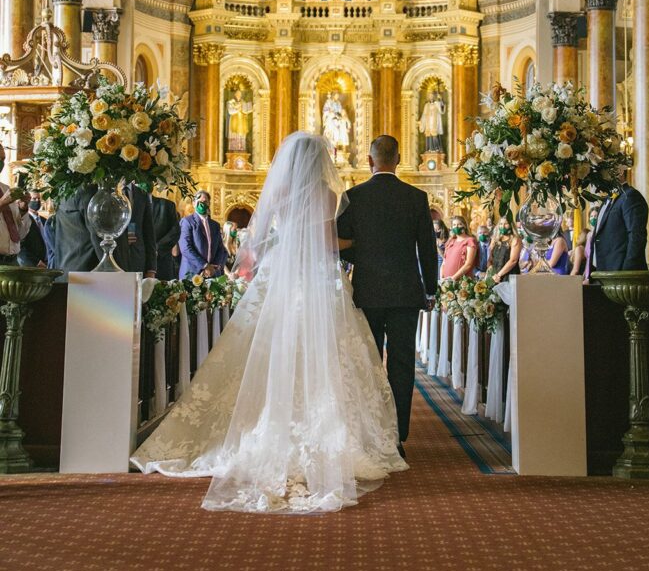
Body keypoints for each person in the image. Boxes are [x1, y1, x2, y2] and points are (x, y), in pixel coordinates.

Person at [132, 132, 406, 514]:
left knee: (266, 347)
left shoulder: (278, 195)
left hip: (280, 277)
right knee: (326, 353)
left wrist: (276, 249)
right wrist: (360, 244)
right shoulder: (328, 195)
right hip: (318, 280)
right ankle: (328, 436)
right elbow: (327, 242)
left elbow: (256, 242)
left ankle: (258, 426)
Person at [336, 135, 438, 453]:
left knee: (369, 364)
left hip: (367, 291)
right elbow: (428, 251)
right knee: (402, 365)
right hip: (406, 293)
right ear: (398, 160)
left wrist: (364, 257)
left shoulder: (353, 196)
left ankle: (372, 433)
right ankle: (397, 436)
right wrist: (431, 289)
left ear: (369, 161)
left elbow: (339, 243)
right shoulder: (416, 197)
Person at [590, 171, 648, 274]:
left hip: (621, 274)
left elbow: (636, 235)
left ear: (620, 172)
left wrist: (627, 272)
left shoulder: (630, 196)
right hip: (603, 271)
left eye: (603, 170)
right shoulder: (606, 200)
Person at [178, 191, 227, 279]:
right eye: (199, 201)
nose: (202, 204)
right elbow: (185, 248)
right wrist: (205, 266)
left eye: (205, 202)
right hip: (192, 273)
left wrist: (214, 267)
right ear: (194, 203)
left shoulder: (215, 225)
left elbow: (221, 248)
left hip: (212, 274)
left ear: (209, 203)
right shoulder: (187, 222)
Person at [0, 144, 30, 266]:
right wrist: (1, 203)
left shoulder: (5, 189)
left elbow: (20, 234)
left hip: (12, 261)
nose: (1, 163)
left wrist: (23, 209)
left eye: (2, 159)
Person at [123, 183, 157, 278]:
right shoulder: (108, 190)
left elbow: (149, 232)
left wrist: (151, 268)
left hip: (138, 260)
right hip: (115, 260)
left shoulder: (141, 193)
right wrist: (121, 240)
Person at [151, 191, 181, 281]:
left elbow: (175, 232)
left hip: (162, 263)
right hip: (136, 264)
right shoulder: (129, 204)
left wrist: (156, 249)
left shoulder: (166, 206)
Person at [441, 216, 477, 281]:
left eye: (459, 224)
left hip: (461, 281)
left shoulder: (470, 241)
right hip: (446, 281)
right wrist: (442, 278)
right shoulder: (450, 241)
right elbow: (444, 262)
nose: (456, 227)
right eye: (454, 225)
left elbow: (468, 264)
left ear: (465, 226)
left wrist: (453, 278)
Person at [17, 191, 47, 268]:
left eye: (39, 199)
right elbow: (20, 246)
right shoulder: (23, 219)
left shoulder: (45, 221)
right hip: (32, 265)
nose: (37, 201)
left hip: (47, 262)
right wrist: (36, 262)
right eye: (34, 199)